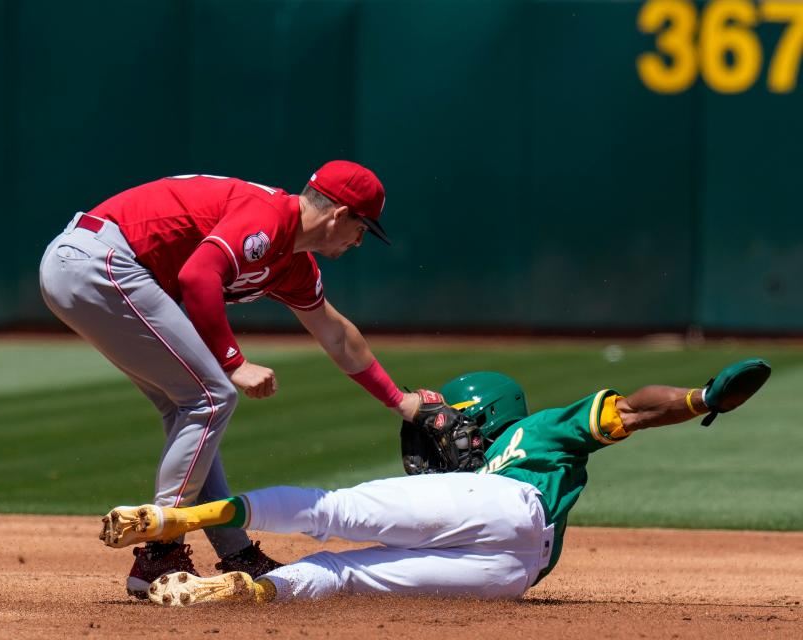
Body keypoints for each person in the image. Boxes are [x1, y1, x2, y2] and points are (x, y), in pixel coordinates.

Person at [39, 161, 445, 599]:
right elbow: (198, 276)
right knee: (211, 397)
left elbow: (337, 335)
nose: (361, 239)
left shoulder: (294, 264)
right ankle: (159, 549)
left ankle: (233, 553)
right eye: (362, 227)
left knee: (192, 407)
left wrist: (398, 401)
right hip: (98, 260)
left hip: (98, 265)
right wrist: (233, 363)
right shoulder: (269, 218)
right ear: (339, 214)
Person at [97, 358, 771, 606]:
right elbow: (628, 415)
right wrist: (703, 398)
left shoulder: (532, 431)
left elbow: (629, 408)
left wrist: (698, 397)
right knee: (348, 579)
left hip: (504, 500)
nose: (441, 434)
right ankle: (238, 589)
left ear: (488, 418)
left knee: (337, 512)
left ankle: (175, 520)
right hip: (512, 575)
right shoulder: (533, 444)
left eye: (456, 420)